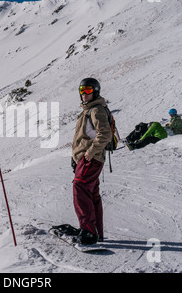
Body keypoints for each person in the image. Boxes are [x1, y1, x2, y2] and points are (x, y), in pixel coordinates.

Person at [71, 78, 112, 245]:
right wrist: (75, 158)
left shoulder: (96, 110)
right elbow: (82, 138)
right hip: (87, 157)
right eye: (82, 90)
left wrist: (90, 151)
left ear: (95, 91)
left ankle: (88, 232)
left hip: (91, 158)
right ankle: (97, 233)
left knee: (79, 187)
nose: (84, 94)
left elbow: (105, 134)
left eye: (88, 90)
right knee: (92, 193)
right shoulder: (88, 110)